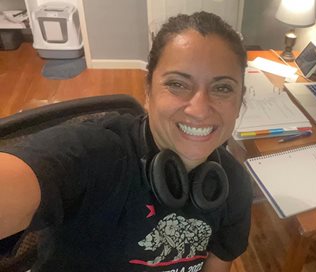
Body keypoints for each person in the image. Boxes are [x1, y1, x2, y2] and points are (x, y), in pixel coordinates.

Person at [0, 12, 252, 272]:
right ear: (148, 91)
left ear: (239, 100)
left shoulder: (235, 185)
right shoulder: (94, 154)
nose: (199, 110)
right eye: (177, 84)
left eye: (222, 88)